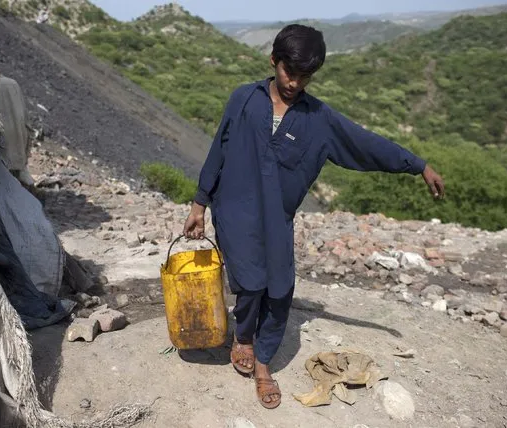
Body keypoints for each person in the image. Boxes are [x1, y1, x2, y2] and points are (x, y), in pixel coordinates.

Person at [182, 24, 445, 410]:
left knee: (279, 289)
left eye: (306, 77)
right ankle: (246, 341)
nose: (295, 83)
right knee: (250, 283)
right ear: (274, 61)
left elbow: (365, 143)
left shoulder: (318, 119)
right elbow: (217, 151)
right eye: (290, 72)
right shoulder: (243, 99)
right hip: (234, 211)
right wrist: (198, 204)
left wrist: (417, 165)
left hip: (276, 220)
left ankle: (263, 360)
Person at [0, 53, 34, 190]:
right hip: (19, 139)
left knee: (3, 186)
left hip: (1, 141)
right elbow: (25, 116)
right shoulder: (13, 83)